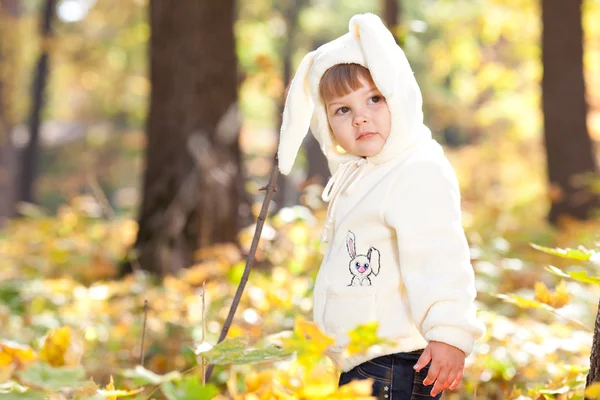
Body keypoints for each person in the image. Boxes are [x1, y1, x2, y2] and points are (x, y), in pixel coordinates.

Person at [276, 13, 485, 399]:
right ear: (327, 124)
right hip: (363, 360)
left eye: (375, 99)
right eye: (342, 110)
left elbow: (439, 254)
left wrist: (449, 333)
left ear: (398, 94)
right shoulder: (366, 174)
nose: (361, 118)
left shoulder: (416, 168)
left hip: (398, 363)